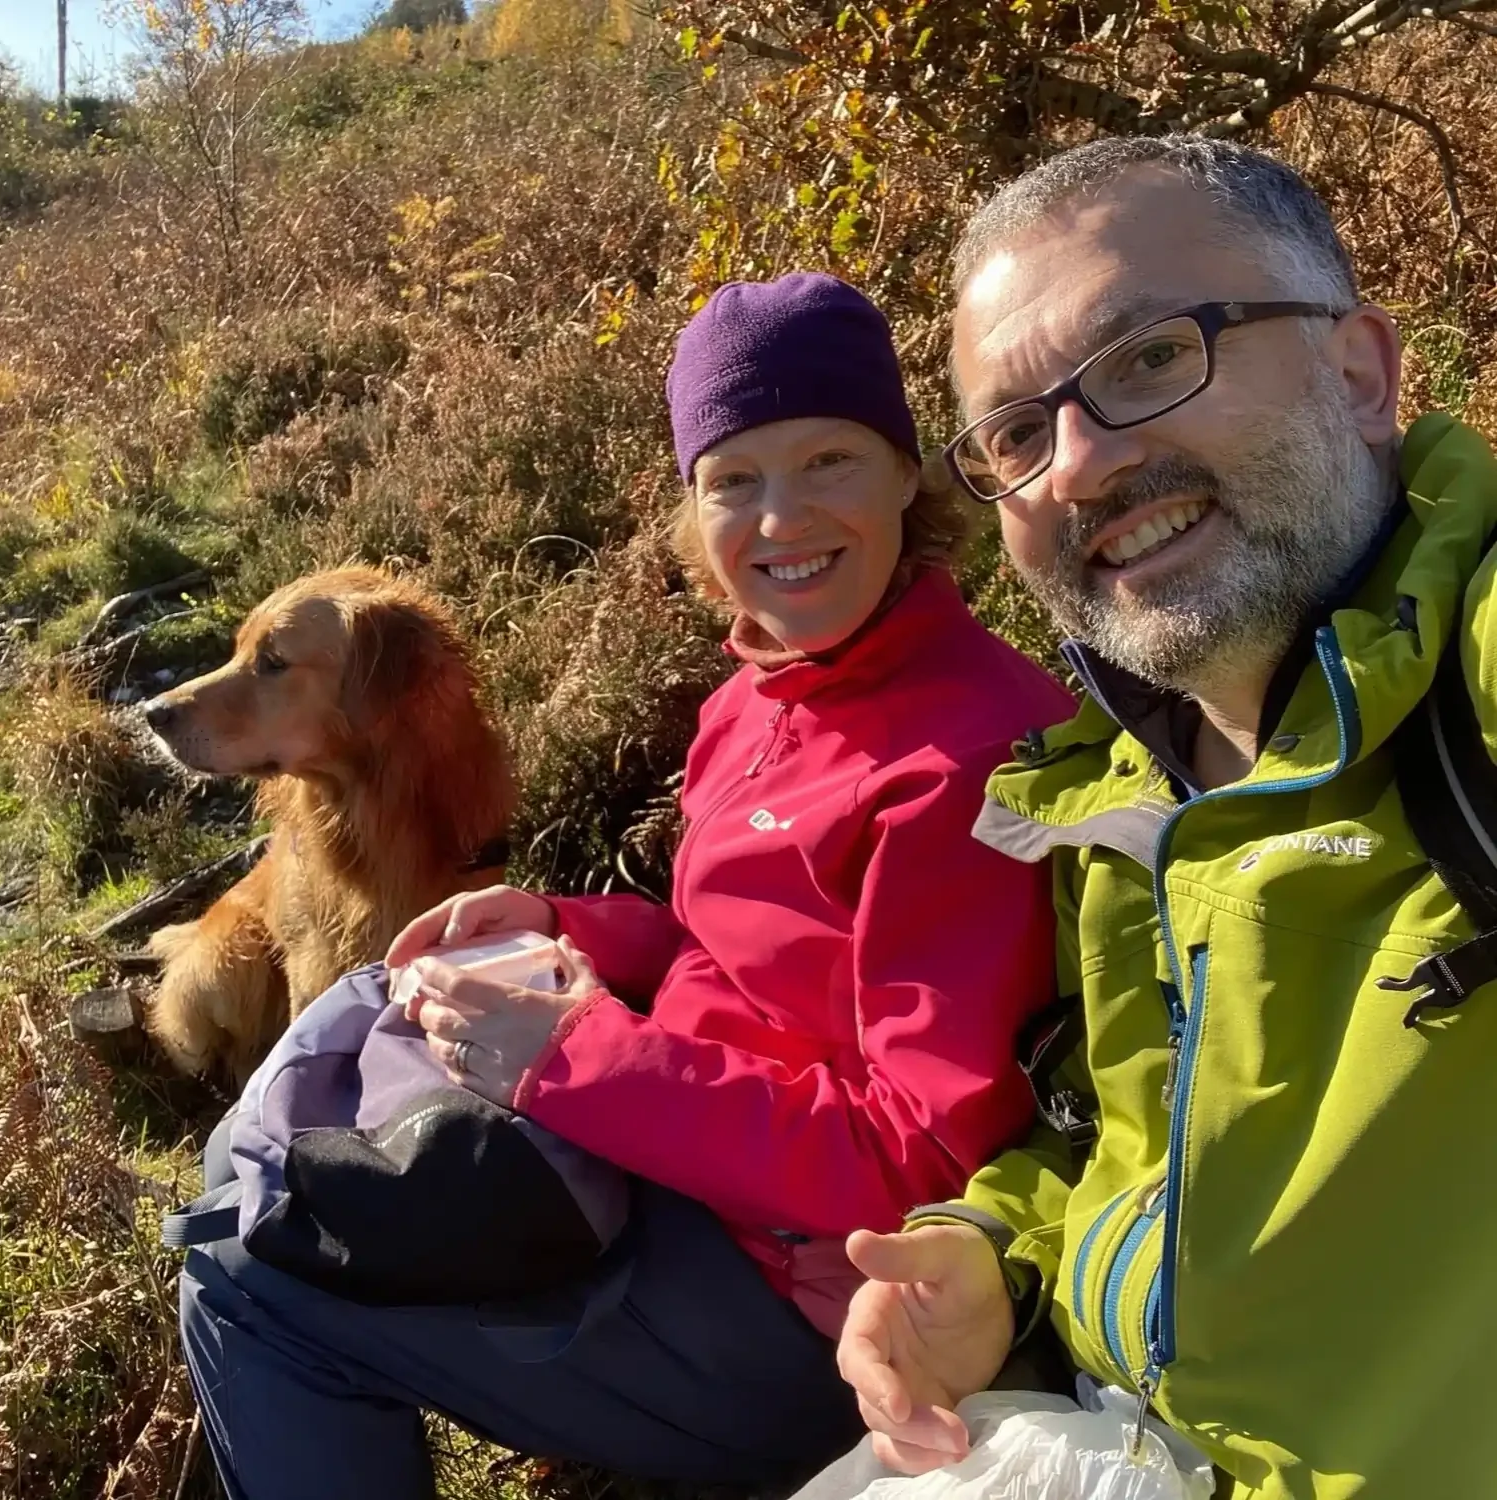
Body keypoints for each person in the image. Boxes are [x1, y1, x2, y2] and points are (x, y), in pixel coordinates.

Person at [178, 272, 1075, 1500]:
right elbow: (734, 945)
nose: (780, 519)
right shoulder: (754, 698)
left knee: (247, 1285)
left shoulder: (966, 759)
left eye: (829, 461)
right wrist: (567, 924)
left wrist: (570, 1060)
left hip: (810, 1315)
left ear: (910, 479)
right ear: (690, 512)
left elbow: (914, 1158)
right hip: (675, 1183)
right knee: (265, 1177)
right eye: (733, 481)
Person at [835, 135, 1497, 1499]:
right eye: (1016, 433)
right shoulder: (1122, 786)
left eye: (1151, 358)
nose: (1075, 465)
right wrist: (996, 1251)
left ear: (1361, 370)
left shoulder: (1471, 688)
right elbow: (1125, 1135)